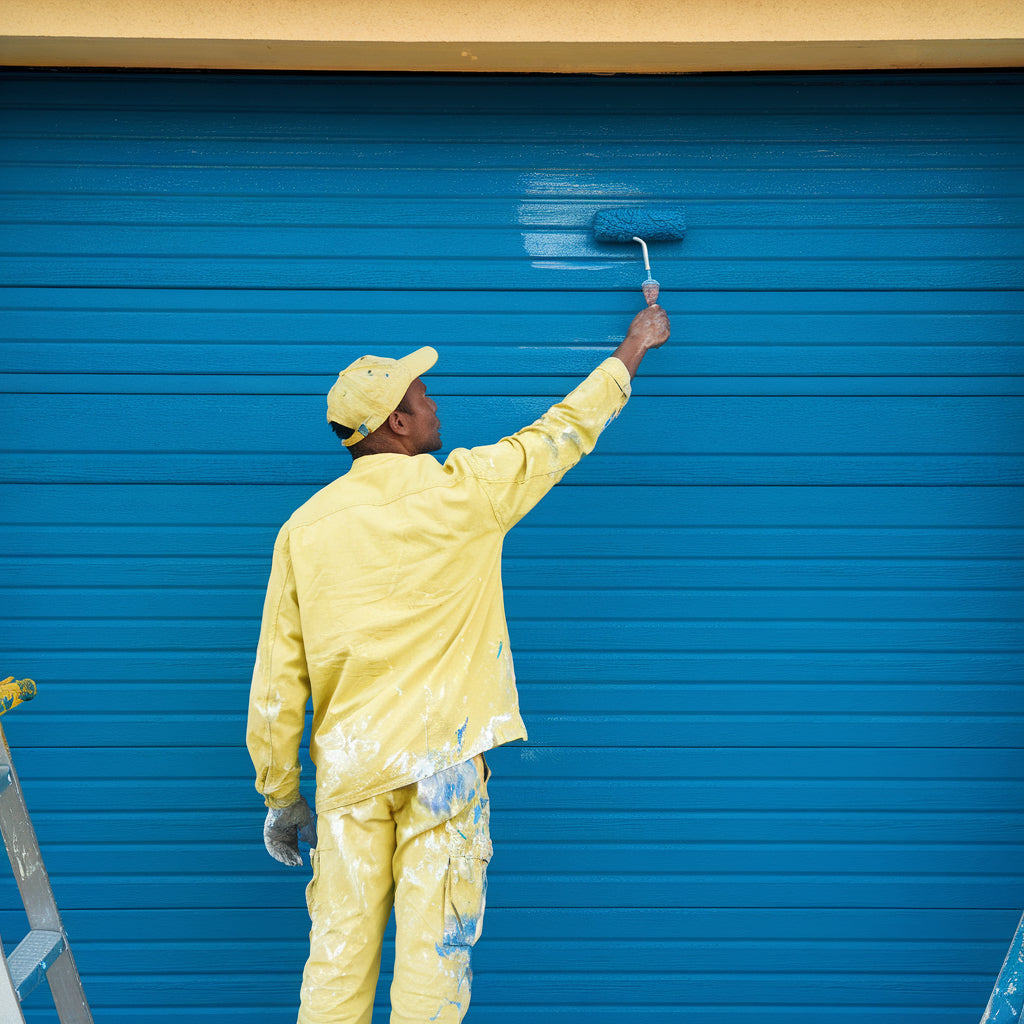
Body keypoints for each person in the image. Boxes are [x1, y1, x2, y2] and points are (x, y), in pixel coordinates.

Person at [246, 302, 671, 1024]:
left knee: (338, 957)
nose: (434, 404)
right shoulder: (463, 493)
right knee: (431, 959)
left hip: (350, 772)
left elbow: (278, 681)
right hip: (443, 763)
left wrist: (281, 792)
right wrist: (631, 350)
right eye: (422, 398)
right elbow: (561, 433)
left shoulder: (303, 531)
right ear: (396, 426)